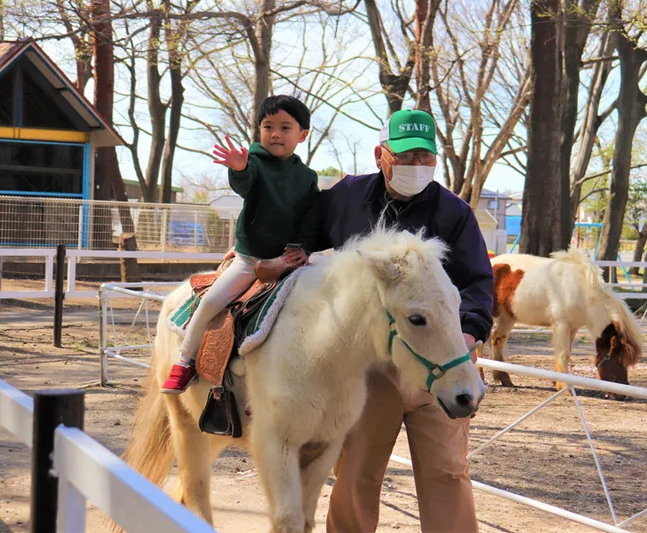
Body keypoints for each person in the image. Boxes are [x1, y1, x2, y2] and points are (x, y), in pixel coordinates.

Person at [318, 109, 494, 532]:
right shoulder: (345, 198)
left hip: (440, 361)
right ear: (382, 155)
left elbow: (476, 281)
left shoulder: (454, 213)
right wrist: (254, 250)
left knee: (446, 473)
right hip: (371, 366)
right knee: (356, 471)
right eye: (407, 156)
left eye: (426, 158)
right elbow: (297, 232)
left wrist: (467, 333)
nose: (418, 166)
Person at [160, 95, 320, 394]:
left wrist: (304, 248)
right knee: (209, 302)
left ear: (303, 135)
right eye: (268, 126)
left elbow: (310, 217)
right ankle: (184, 361)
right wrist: (238, 168)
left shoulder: (307, 177)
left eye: (285, 127)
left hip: (288, 258)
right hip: (251, 260)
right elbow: (246, 184)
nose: (275, 133)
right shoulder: (255, 163)